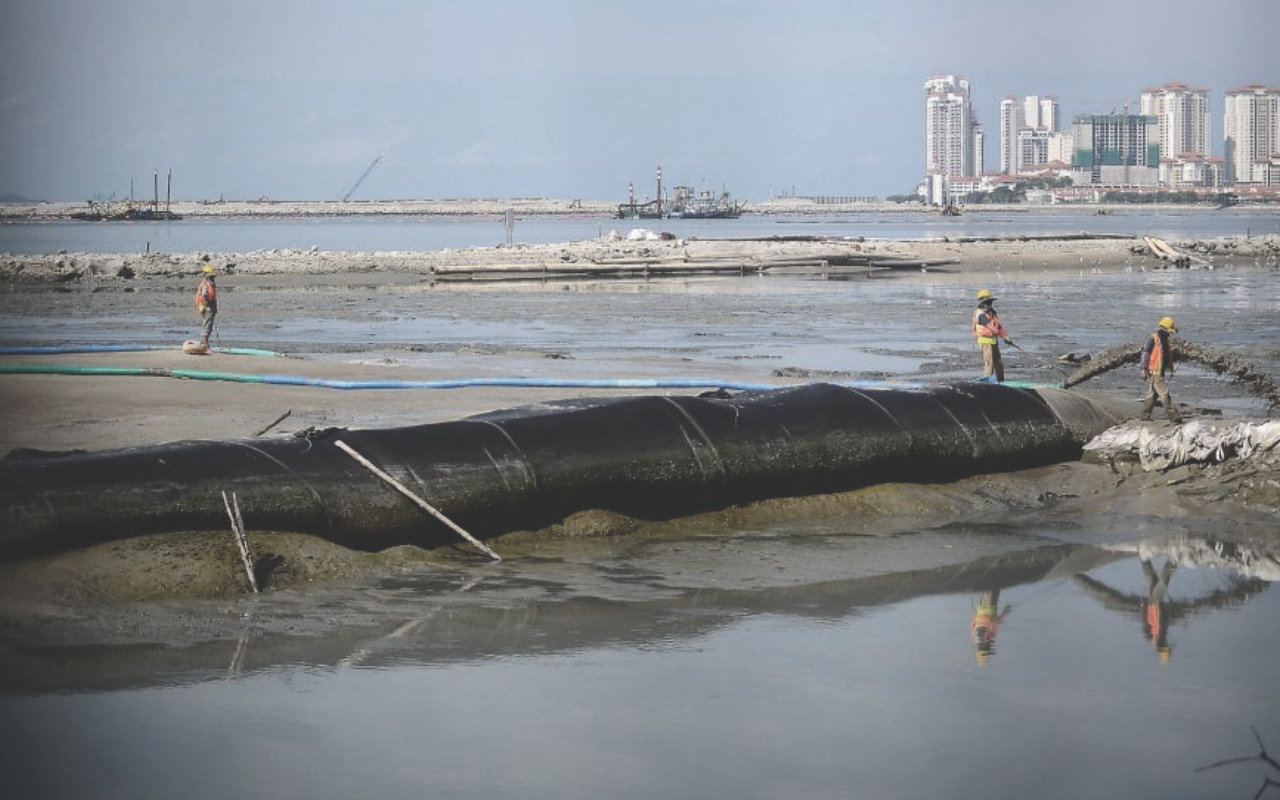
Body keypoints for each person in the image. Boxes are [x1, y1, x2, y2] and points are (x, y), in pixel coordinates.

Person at [1139, 316, 1180, 422]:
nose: (1170, 334)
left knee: (1152, 394)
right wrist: (1143, 369)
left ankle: (1145, 414)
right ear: (1164, 330)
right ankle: (1173, 414)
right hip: (1155, 371)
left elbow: (1164, 355)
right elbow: (1145, 353)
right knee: (1164, 393)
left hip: (1160, 371)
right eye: (1169, 331)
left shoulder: (1164, 341)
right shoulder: (1152, 339)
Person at [972, 289, 1014, 383]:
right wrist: (1003, 337)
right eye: (988, 302)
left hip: (993, 341)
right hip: (985, 342)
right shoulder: (980, 314)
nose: (990, 304)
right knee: (989, 364)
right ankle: (988, 384)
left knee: (999, 363)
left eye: (990, 302)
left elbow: (999, 327)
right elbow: (991, 327)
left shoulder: (992, 313)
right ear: (982, 302)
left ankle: (1001, 382)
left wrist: (1006, 337)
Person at [194, 264, 218, 351]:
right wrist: (208, 303)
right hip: (207, 307)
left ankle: (203, 343)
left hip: (205, 306)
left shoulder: (207, 282)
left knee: (207, 324)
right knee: (207, 325)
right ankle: (205, 345)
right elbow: (204, 295)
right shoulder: (206, 283)